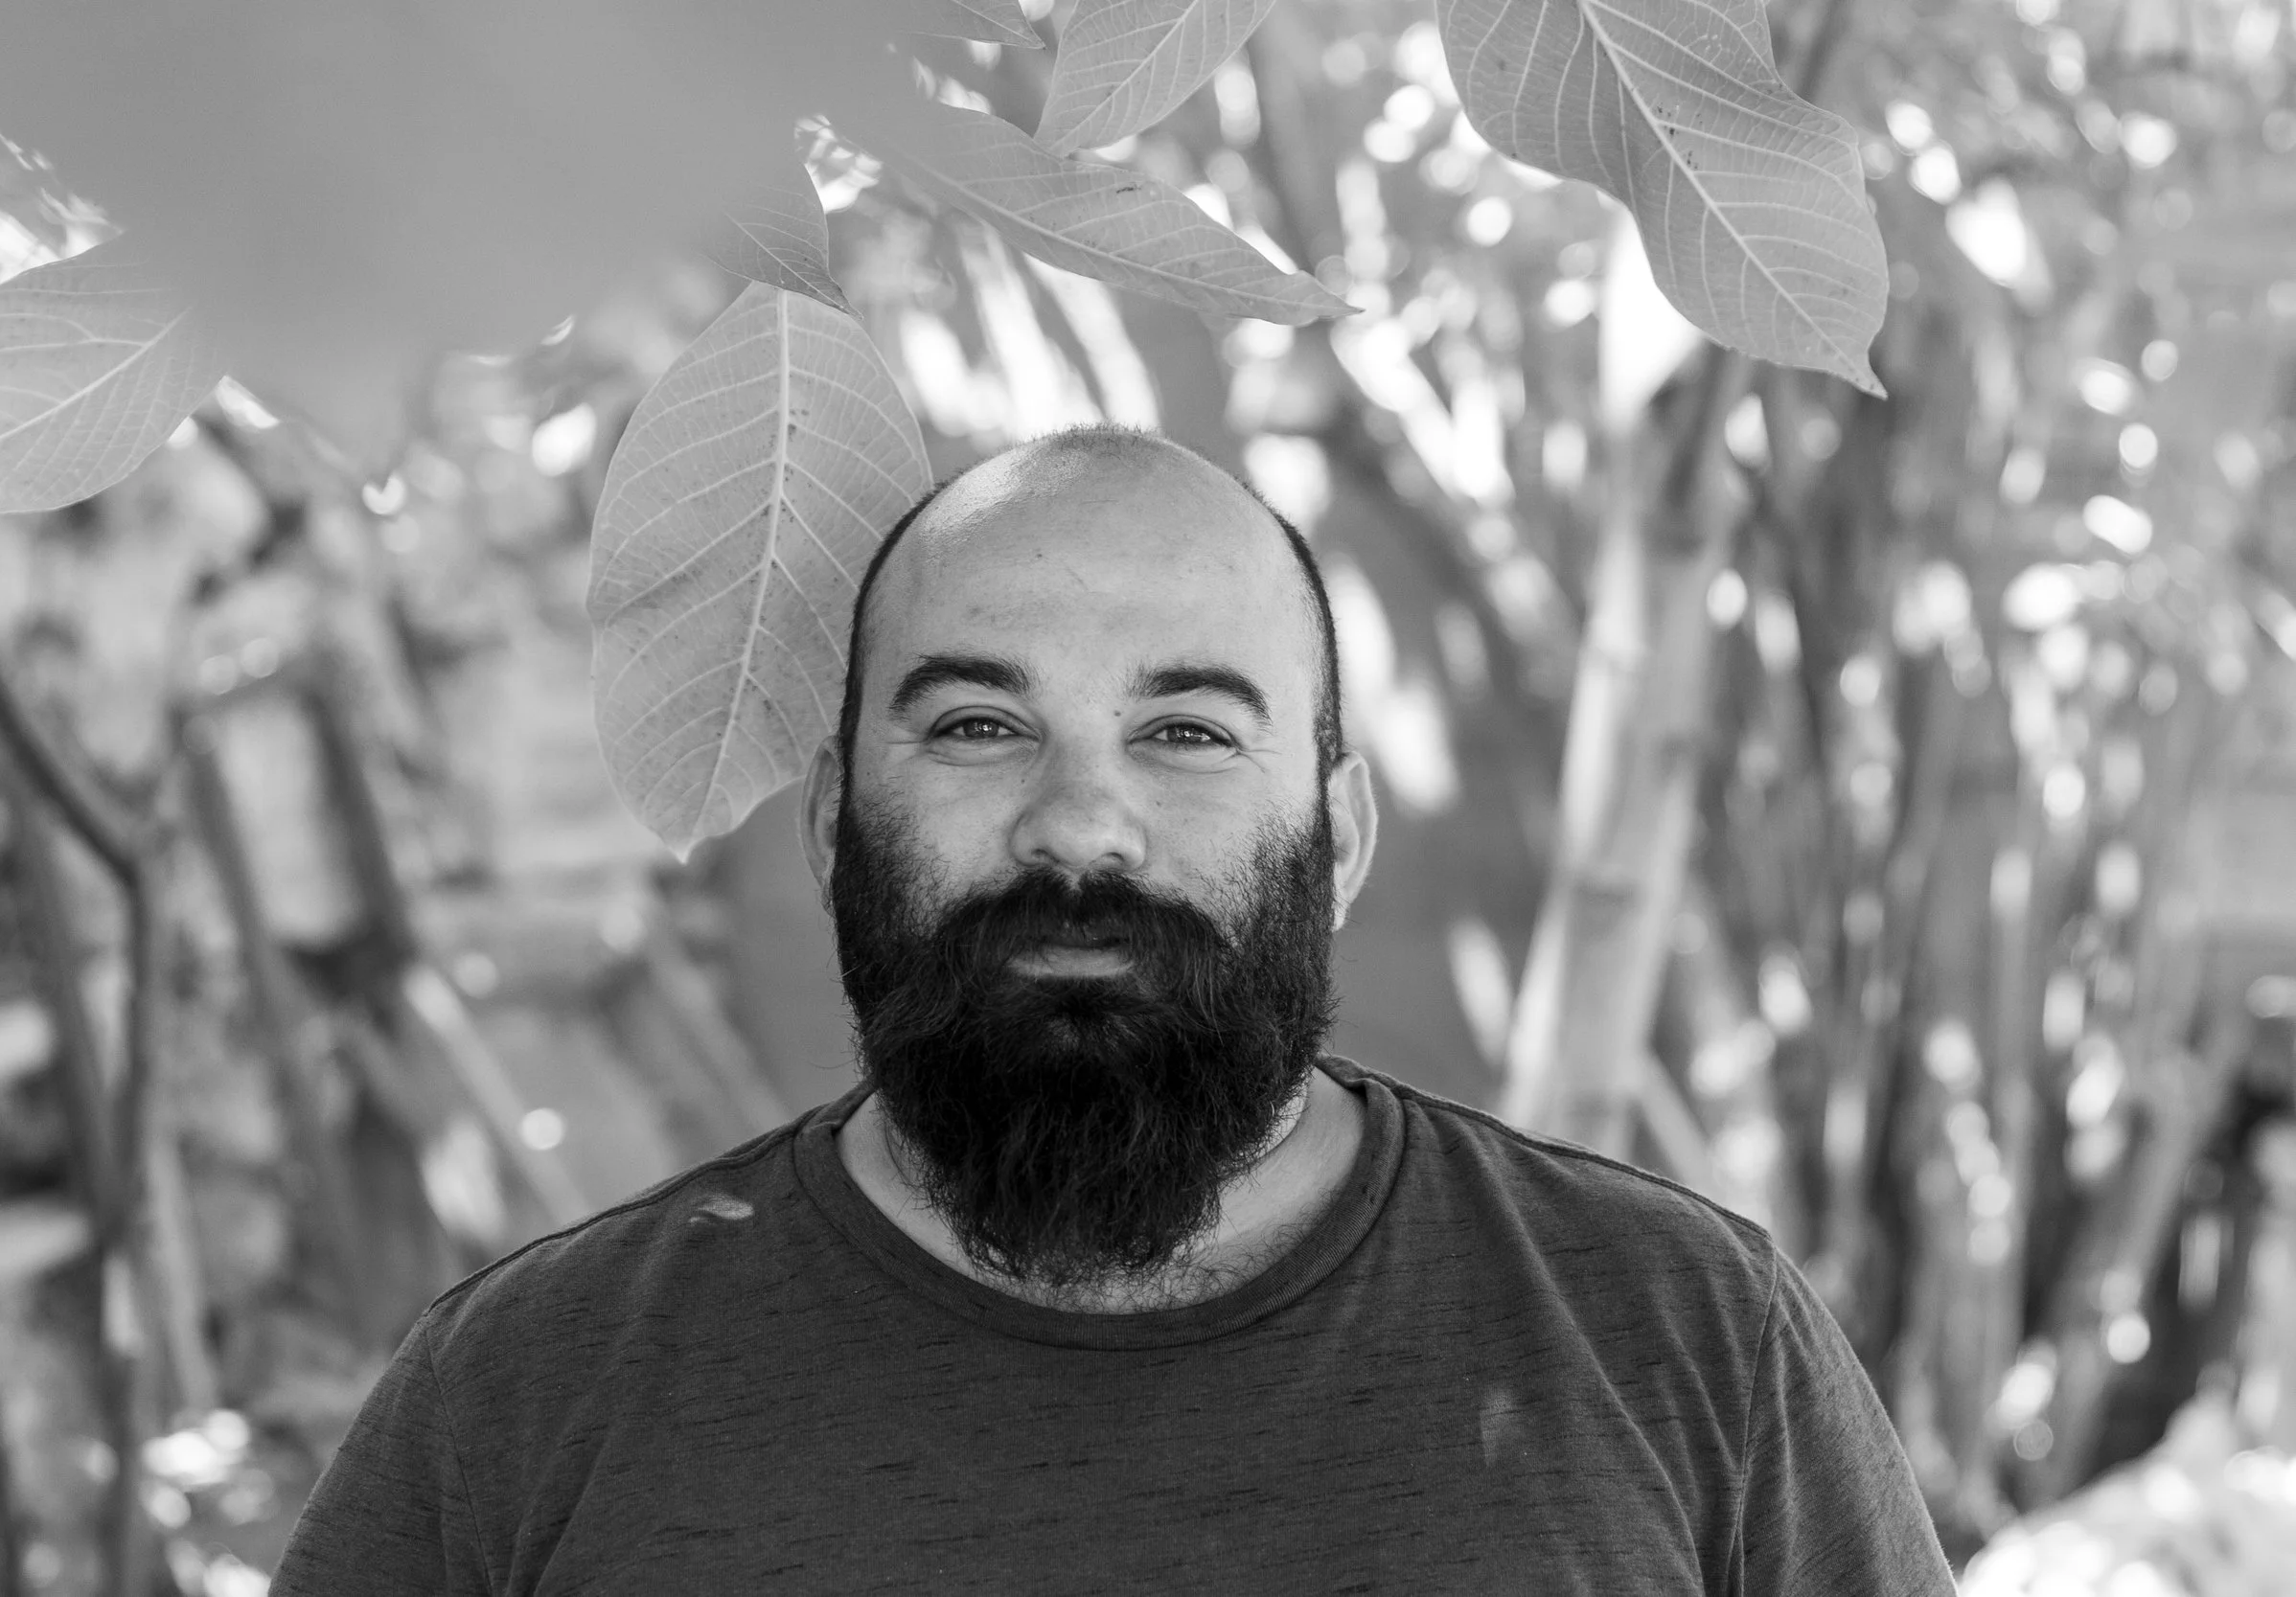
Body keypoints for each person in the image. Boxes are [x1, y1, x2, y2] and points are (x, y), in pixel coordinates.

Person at [273, 425, 1952, 1593]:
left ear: (1339, 838)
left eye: (1188, 733)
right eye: (979, 726)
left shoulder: (1682, 1336)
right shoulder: (525, 1395)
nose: (1080, 826)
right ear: (833, 825)